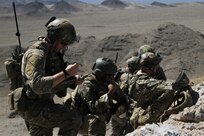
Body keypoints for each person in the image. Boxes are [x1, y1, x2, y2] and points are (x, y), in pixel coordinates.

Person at [15, 17, 82, 136]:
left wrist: (72, 80)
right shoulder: (37, 54)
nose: (64, 47)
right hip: (32, 106)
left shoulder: (52, 54)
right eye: (64, 43)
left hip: (42, 103)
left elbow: (54, 77)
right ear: (54, 38)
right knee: (73, 119)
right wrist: (66, 73)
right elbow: (37, 86)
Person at [128, 52, 194, 129]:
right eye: (156, 66)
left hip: (140, 110)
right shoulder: (144, 82)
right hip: (143, 116)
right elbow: (169, 86)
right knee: (170, 92)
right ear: (150, 67)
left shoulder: (137, 75)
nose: (157, 68)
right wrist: (182, 84)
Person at [64, 57, 127, 136]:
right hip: (78, 120)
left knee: (123, 109)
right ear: (101, 74)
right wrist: (110, 92)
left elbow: (123, 99)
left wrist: (117, 107)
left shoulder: (106, 82)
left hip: (91, 117)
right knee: (98, 119)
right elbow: (95, 108)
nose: (112, 78)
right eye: (110, 76)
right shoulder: (86, 84)